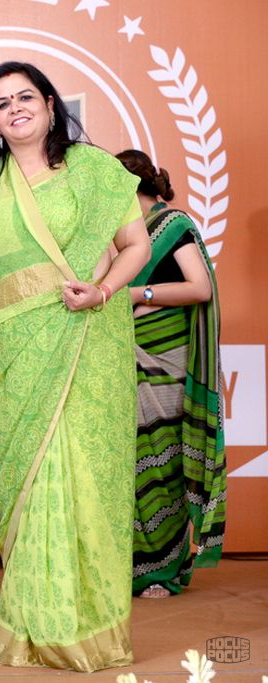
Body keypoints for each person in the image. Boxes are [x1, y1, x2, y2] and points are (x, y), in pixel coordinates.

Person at [0, 61, 151, 672]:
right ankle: (33, 628)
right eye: (1, 104)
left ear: (48, 104)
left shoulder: (94, 170)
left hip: (92, 345)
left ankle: (89, 629)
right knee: (35, 480)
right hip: (18, 358)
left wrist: (102, 291)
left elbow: (136, 245)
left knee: (89, 479)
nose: (15, 109)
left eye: (24, 97)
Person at [115, 149, 225, 599]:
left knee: (165, 459)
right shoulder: (120, 232)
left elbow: (200, 287)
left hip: (168, 357)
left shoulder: (173, 224)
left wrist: (140, 294)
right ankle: (134, 567)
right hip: (126, 354)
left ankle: (164, 569)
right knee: (134, 460)